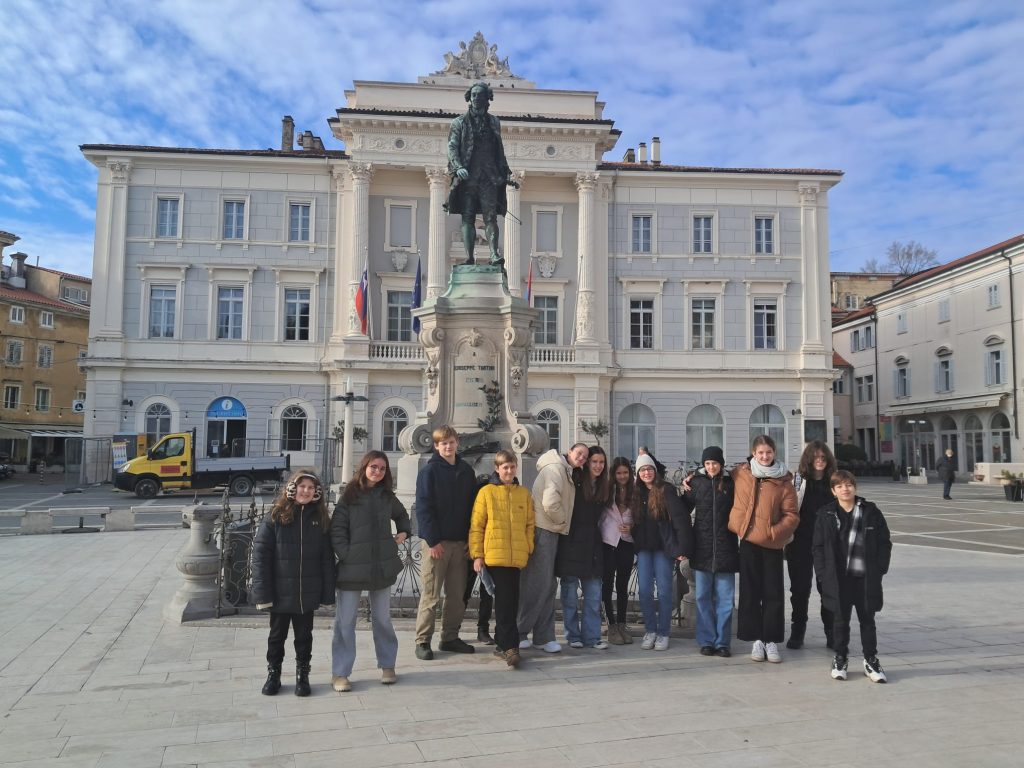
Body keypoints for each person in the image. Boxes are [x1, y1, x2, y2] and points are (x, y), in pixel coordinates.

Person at [330, 452, 411, 691]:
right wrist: (347, 554)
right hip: (352, 568)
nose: (377, 471)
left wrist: (404, 532)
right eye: (374, 467)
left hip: (380, 566)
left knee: (382, 619)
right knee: (345, 622)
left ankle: (387, 665)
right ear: (364, 467)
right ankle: (341, 673)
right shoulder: (349, 495)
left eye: (382, 468)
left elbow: (402, 515)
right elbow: (337, 529)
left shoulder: (387, 496)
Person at [251, 469, 334, 697]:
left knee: (304, 637)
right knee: (276, 636)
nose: (305, 491)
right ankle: (273, 674)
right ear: (292, 489)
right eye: (302, 486)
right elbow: (260, 556)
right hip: (280, 592)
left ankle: (302, 675)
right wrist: (263, 593)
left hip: (306, 592)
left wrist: (327, 593)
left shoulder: (320, 519)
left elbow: (327, 559)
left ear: (316, 492)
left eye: (310, 488)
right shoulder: (276, 516)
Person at [813, 470, 892, 682]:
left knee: (868, 620)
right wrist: (822, 573)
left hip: (864, 577)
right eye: (839, 486)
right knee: (840, 620)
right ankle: (840, 658)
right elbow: (818, 547)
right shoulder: (826, 514)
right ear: (833, 491)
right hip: (838, 577)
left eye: (848, 485)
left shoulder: (870, 511)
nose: (845, 489)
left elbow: (884, 542)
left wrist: (880, 568)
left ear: (855, 487)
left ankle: (870, 660)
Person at [728, 435, 799, 663]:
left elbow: (792, 515)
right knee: (750, 593)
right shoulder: (742, 473)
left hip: (771, 544)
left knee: (773, 593)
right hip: (748, 541)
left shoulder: (784, 481)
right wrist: (692, 477)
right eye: (760, 452)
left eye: (768, 452)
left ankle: (771, 640)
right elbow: (715, 474)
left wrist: (773, 533)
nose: (765, 456)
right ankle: (756, 639)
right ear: (753, 453)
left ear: (774, 453)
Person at [413, 425, 478, 660]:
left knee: (456, 595)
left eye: (451, 442)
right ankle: (423, 640)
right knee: (431, 595)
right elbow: (423, 508)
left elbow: (472, 509)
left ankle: (450, 637)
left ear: (457, 443)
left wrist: (470, 540)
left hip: (460, 543)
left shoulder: (466, 471)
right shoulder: (429, 472)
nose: (448, 446)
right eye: (443, 443)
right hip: (437, 544)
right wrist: (433, 540)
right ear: (436, 446)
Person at [518, 442, 589, 652]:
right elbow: (550, 502)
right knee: (537, 584)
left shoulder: (563, 469)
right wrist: (562, 521)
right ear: (569, 451)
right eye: (579, 453)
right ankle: (520, 631)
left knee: (547, 585)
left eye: (585, 456)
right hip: (545, 529)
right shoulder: (556, 469)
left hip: (550, 529)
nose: (582, 458)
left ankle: (543, 636)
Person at [469, 450, 535, 668]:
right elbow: (477, 526)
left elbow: (530, 524)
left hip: (516, 557)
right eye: (505, 467)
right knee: (506, 603)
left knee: (510, 602)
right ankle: (510, 647)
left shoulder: (523, 493)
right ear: (497, 469)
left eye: (512, 467)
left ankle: (501, 643)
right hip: (495, 556)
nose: (509, 471)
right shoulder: (486, 492)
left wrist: (528, 546)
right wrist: (477, 555)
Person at [444, 81, 520, 266]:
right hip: (467, 177)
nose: (476, 98)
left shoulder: (494, 122)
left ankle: (494, 254)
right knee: (467, 217)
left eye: (480, 95)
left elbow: (498, 149)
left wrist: (505, 173)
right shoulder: (459, 122)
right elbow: (452, 147)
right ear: (469, 99)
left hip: (489, 177)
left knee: (490, 217)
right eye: (473, 95)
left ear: (487, 99)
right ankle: (469, 257)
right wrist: (458, 167)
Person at [632, 453, 693, 651]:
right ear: (638, 473)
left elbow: (680, 517)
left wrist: (682, 547)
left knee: (665, 591)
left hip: (663, 548)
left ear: (655, 470)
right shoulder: (636, 493)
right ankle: (650, 630)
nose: (646, 473)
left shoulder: (666, 489)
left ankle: (663, 632)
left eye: (649, 469)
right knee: (644, 591)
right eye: (642, 470)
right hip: (644, 549)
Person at [681, 446, 737, 657]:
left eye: (715, 463)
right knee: (703, 598)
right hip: (702, 548)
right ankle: (706, 641)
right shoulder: (696, 483)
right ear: (703, 464)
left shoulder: (731, 483)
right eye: (707, 463)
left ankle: (722, 642)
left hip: (726, 548)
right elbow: (681, 511)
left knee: (725, 599)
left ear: (721, 463)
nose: (711, 467)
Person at [786, 440, 838, 650]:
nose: (820, 461)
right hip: (800, 542)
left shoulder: (834, 481)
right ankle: (798, 630)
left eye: (823, 457)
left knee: (827, 589)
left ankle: (831, 632)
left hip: (827, 544)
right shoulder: (797, 480)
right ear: (808, 459)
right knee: (799, 589)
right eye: (815, 457)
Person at [557, 446, 609, 649]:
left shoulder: (604, 486)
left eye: (601, 462)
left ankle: (592, 636)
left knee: (593, 595)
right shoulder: (576, 479)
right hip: (571, 542)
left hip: (593, 545)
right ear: (587, 463)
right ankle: (573, 635)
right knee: (569, 594)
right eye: (594, 461)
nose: (598, 466)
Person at [601, 457, 636, 645]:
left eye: (625, 472)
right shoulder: (607, 490)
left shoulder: (635, 491)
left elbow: (641, 517)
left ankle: (622, 623)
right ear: (613, 474)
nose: (622, 476)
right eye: (619, 473)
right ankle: (611, 625)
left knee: (623, 585)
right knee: (607, 584)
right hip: (608, 542)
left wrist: (632, 528)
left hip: (627, 542)